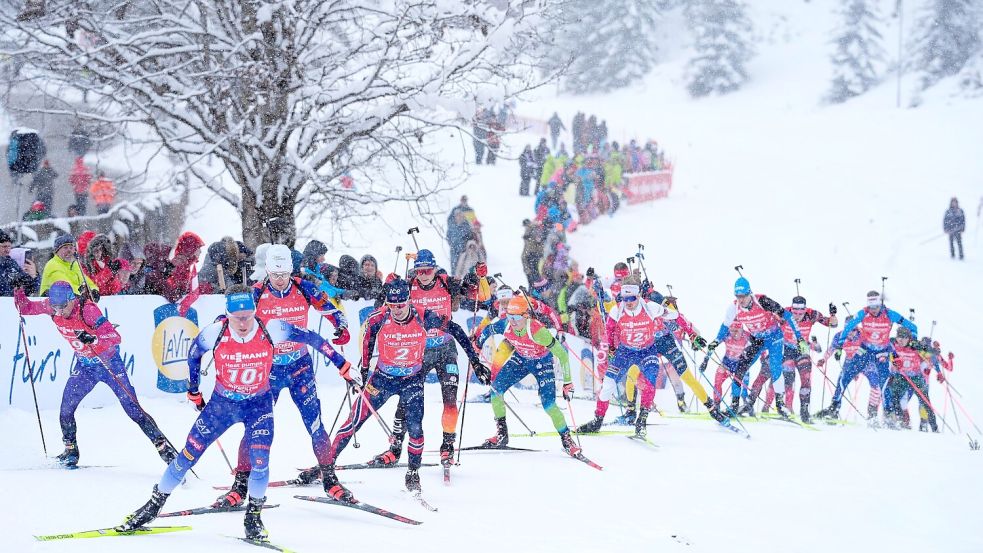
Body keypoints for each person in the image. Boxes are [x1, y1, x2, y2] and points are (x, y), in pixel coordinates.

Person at [119, 286, 358, 540]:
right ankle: (153, 505)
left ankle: (253, 516)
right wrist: (193, 391)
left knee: (260, 461)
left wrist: (342, 364)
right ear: (227, 314)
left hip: (259, 406)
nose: (243, 322)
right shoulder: (215, 331)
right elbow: (193, 355)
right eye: (236, 316)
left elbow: (313, 339)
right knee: (187, 456)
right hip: (222, 406)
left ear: (255, 311)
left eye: (248, 315)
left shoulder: (272, 327)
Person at [320, 278, 489, 502]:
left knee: (416, 429)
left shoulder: (423, 315)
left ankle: (412, 473)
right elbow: (368, 341)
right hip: (382, 379)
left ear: (409, 300)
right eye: (392, 305)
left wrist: (476, 363)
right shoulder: (379, 317)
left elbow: (456, 330)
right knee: (354, 420)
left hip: (412, 379)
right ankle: (327, 468)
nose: (397, 309)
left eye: (401, 304)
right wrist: (362, 370)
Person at [212, 247, 351, 506]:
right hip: (268, 370)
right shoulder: (255, 292)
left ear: (291, 270)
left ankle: (330, 479)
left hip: (300, 367)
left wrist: (341, 327)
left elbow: (333, 311)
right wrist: (219, 326)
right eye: (275, 273)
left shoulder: (304, 288)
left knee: (315, 424)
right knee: (255, 428)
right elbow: (232, 315)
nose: (279, 278)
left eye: (284, 273)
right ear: (267, 270)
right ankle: (240, 486)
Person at [14, 281, 177, 467]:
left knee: (132, 409)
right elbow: (26, 307)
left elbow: (115, 337)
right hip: (85, 367)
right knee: (66, 409)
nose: (59, 312)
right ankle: (70, 450)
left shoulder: (88, 310)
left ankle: (163, 447)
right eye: (55, 307)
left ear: (72, 299)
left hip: (109, 365)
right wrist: (19, 292)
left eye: (62, 307)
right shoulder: (52, 307)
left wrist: (95, 339)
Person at [367, 250, 481, 469]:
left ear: (435, 268)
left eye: (428, 270)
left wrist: (476, 276)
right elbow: (379, 308)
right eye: (420, 270)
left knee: (450, 399)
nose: (424, 274)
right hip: (419, 350)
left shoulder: (446, 282)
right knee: (406, 400)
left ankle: (447, 446)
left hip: (446, 348)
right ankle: (395, 448)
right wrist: (386, 288)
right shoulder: (408, 286)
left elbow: (475, 293)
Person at [577, 278, 721, 434]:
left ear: (638, 295)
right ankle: (598, 421)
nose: (629, 302)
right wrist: (611, 348)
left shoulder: (651, 306)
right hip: (626, 351)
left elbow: (676, 316)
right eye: (625, 299)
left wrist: (693, 334)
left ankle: (642, 420)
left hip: (648, 350)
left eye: (631, 298)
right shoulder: (617, 309)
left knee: (649, 383)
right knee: (608, 385)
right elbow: (610, 328)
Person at [477, 296, 581, 452]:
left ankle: (566, 439)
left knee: (549, 405)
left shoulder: (537, 331)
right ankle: (502, 434)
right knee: (495, 390)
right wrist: (478, 346)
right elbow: (488, 330)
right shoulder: (505, 325)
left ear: (526, 316)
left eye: (516, 317)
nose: (512, 321)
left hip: (542, 362)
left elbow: (562, 354)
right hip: (521, 358)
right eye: (509, 316)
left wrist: (567, 383)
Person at [707, 277, 806, 419]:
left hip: (774, 338)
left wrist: (800, 338)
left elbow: (788, 316)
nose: (741, 300)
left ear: (749, 293)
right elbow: (725, 326)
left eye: (743, 296)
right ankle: (734, 405)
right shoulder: (733, 307)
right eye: (738, 296)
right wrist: (716, 341)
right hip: (757, 339)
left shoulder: (763, 301)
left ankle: (780, 405)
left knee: (775, 367)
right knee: (740, 367)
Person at [817, 291, 917, 423]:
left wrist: (913, 342)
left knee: (884, 383)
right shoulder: (863, 313)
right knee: (844, 377)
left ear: (880, 305)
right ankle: (834, 408)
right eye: (871, 307)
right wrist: (840, 345)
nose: (873, 311)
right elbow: (849, 327)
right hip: (865, 351)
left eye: (875, 307)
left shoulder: (890, 314)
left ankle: (888, 415)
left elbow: (912, 327)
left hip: (882, 352)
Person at [756, 296, 837, 423]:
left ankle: (804, 413)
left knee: (806, 379)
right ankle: (756, 406)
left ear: (805, 309)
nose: (798, 315)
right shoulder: (783, 313)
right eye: (795, 312)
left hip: (801, 350)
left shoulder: (812, 314)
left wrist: (833, 314)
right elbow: (767, 320)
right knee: (769, 374)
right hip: (784, 348)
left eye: (801, 312)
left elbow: (833, 324)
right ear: (791, 309)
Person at [884, 327, 938, 431]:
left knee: (925, 401)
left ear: (909, 338)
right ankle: (900, 421)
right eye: (899, 337)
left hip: (915, 376)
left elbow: (929, 352)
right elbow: (883, 344)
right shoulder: (892, 343)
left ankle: (934, 427)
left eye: (904, 338)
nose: (901, 340)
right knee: (894, 396)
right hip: (901, 376)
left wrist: (934, 351)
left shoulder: (915, 345)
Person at [0, 229, 39, 296]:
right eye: (4, 246)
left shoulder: (11, 263)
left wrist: (33, 276)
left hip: (11, 304)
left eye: (9, 246)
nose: (8, 250)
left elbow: (31, 289)